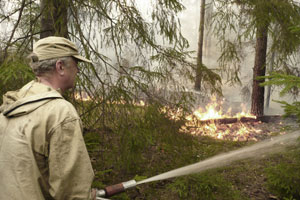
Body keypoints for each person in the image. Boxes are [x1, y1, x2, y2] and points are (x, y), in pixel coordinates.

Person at [0, 36, 96, 200]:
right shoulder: (61, 113)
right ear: (60, 67)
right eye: (76, 64)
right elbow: (72, 193)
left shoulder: (11, 105)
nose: (78, 70)